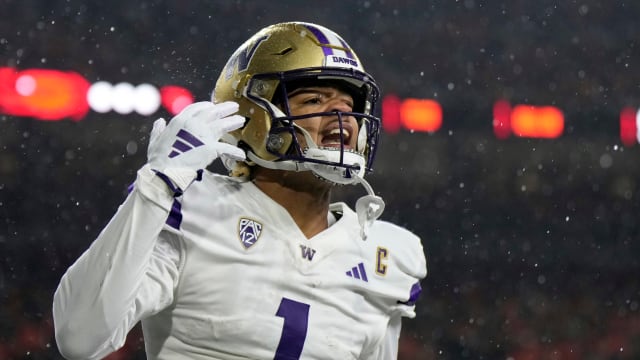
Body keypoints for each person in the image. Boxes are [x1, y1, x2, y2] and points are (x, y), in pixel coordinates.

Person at [53, 21, 427, 360]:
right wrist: (156, 185)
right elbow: (80, 337)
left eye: (349, 105)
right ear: (255, 116)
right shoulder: (193, 209)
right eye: (315, 100)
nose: (342, 120)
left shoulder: (389, 257)